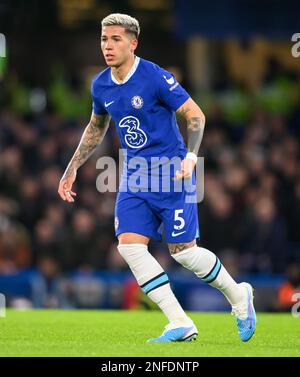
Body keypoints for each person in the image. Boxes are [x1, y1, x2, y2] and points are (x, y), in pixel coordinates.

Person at [58, 13, 256, 342]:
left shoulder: (154, 77)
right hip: (135, 176)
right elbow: (97, 125)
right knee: (130, 247)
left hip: (172, 173)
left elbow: (195, 114)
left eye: (115, 39)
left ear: (133, 43)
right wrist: (73, 166)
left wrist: (192, 157)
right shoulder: (101, 84)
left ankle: (238, 296)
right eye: (104, 39)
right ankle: (179, 321)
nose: (107, 46)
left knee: (184, 252)